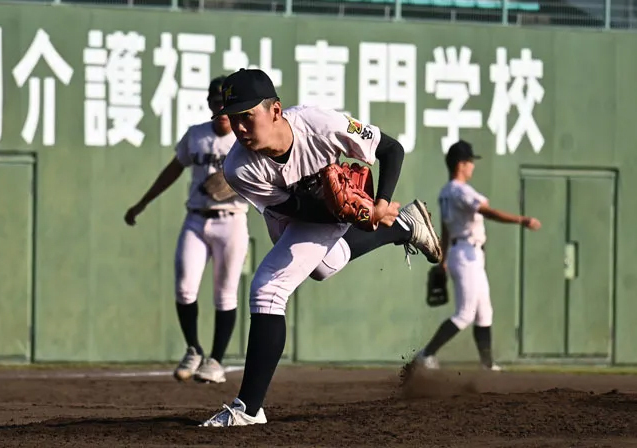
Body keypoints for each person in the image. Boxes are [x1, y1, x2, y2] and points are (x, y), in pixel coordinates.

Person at [200, 68, 441, 427]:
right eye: (233, 119)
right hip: (296, 215)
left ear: (276, 111)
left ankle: (248, 408)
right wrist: (353, 210)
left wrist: (379, 202)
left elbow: (391, 149)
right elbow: (294, 211)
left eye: (247, 116)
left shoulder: (320, 122)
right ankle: (404, 226)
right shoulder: (239, 167)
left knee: (268, 288)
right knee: (323, 267)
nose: (240, 128)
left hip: (335, 209)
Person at [124, 76, 249, 385]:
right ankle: (193, 349)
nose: (221, 108)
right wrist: (143, 203)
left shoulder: (244, 139)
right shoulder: (196, 136)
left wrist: (233, 187)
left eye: (226, 103)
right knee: (184, 287)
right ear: (209, 105)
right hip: (196, 218)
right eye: (216, 102)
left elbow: (265, 177)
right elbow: (172, 169)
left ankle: (216, 361)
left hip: (232, 220)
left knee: (225, 294)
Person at [413, 140, 541, 371]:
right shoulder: (461, 190)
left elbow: (445, 228)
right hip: (466, 254)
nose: (473, 166)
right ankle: (426, 354)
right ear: (461, 164)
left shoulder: (445, 191)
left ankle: (487, 364)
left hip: (462, 252)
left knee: (485, 313)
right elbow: (487, 211)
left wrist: (442, 261)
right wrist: (522, 220)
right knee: (465, 313)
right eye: (470, 162)